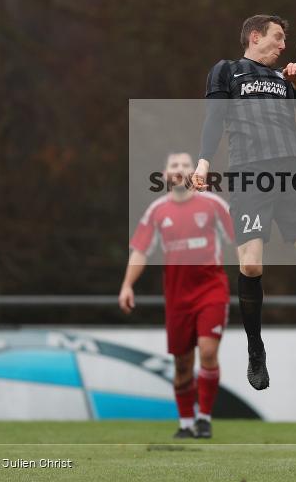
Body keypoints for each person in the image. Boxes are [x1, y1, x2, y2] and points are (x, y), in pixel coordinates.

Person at [190, 14, 296, 391]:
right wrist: (204, 162)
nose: (281, 46)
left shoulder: (286, 77)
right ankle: (255, 349)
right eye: (276, 38)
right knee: (252, 265)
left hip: (291, 172)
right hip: (248, 174)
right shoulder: (228, 71)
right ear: (254, 37)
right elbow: (214, 117)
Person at [119, 151, 234, 439]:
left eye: (186, 164)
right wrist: (127, 285)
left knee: (208, 352)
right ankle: (185, 423)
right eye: (174, 165)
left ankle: (204, 419)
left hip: (211, 290)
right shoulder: (158, 210)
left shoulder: (213, 204)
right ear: (165, 174)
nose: (180, 169)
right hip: (177, 296)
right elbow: (141, 250)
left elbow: (241, 236)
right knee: (183, 365)